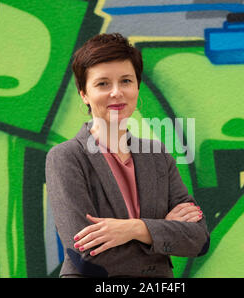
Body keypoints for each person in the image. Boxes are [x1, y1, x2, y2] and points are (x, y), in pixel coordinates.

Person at [45, 33, 209, 278]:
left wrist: (134, 228)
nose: (116, 92)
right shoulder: (66, 157)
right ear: (83, 94)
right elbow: (85, 253)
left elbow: (198, 239)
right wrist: (163, 229)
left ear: (137, 86)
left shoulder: (157, 155)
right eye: (102, 84)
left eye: (126, 81)